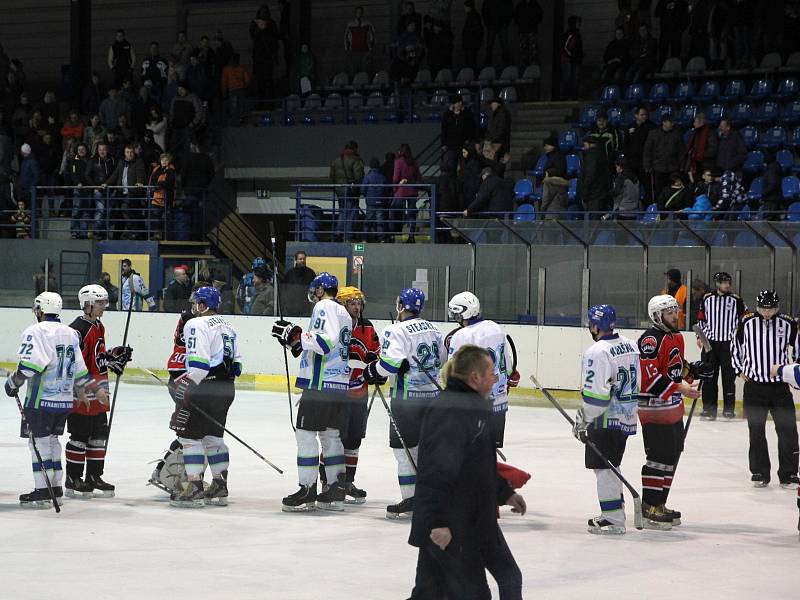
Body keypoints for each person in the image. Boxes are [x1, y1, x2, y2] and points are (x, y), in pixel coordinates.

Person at [407, 344, 526, 600]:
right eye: (492, 373)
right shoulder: (451, 410)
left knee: (510, 578)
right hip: (452, 522)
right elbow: (436, 471)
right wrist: (438, 522)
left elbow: (477, 465)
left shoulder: (474, 407)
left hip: (476, 516)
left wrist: (504, 493)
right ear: (475, 377)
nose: (496, 378)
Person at [363, 288, 446, 519]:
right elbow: (442, 360)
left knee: (404, 452)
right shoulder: (434, 329)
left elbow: (389, 365)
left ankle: (411, 499)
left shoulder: (395, 329)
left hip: (407, 400)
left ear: (401, 305)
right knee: (426, 451)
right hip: (432, 398)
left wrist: (372, 370)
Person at [272, 273, 351, 512]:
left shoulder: (324, 306)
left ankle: (307, 490)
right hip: (338, 384)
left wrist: (297, 335)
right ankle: (336, 489)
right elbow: (322, 345)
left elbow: (323, 342)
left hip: (320, 385)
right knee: (331, 437)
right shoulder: (343, 312)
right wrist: (294, 342)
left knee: (306, 435)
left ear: (320, 290)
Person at [4, 292, 90, 507]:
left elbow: (29, 367)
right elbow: (80, 371)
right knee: (53, 441)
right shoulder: (71, 333)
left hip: (40, 400)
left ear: (40, 310)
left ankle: (43, 490)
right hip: (63, 401)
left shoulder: (36, 331)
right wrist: (81, 392)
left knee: (38, 443)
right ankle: (56, 487)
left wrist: (13, 383)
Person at [637, 294, 706, 529]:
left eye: (676, 311)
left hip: (673, 407)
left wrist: (694, 371)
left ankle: (661, 504)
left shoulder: (676, 337)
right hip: (654, 408)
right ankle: (649, 507)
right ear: (657, 316)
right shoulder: (650, 340)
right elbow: (650, 377)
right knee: (657, 458)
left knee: (672, 454)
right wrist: (681, 387)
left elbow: (675, 366)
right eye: (669, 313)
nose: (675, 316)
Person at [170, 286, 242, 507]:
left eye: (195, 303)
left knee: (190, 438)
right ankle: (220, 485)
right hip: (226, 388)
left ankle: (194, 487)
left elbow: (200, 366)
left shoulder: (196, 324)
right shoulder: (228, 326)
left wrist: (186, 386)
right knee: (213, 438)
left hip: (204, 387)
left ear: (203, 305)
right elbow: (237, 365)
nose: (193, 307)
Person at [574, 304, 640, 535]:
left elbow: (596, 397)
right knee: (612, 465)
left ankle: (613, 520)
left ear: (595, 325)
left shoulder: (597, 351)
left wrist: (582, 420)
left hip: (605, 418)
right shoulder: (630, 344)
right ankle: (616, 511)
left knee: (604, 468)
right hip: (626, 416)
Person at [65, 285, 133, 499]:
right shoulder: (77, 329)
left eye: (105, 302)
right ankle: (73, 478)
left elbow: (97, 357)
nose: (105, 306)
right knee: (80, 435)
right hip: (83, 390)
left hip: (100, 388)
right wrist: (82, 390)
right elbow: (75, 363)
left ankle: (94, 476)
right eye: (101, 303)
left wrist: (113, 357)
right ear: (88, 304)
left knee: (98, 436)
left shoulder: (98, 325)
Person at [732, 291, 800, 489]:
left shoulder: (788, 324)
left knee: (788, 430)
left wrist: (791, 372)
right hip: (754, 387)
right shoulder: (746, 322)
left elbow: (798, 349)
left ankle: (789, 474)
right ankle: (760, 472)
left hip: (780, 388)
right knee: (756, 431)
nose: (767, 312)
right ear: (758, 306)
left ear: (777, 307)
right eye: (764, 308)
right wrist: (739, 369)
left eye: (770, 309)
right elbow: (735, 346)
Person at [318, 286, 378, 504]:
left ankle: (348, 482)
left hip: (358, 393)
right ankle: (328, 482)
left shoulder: (367, 327)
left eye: (359, 302)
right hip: (336, 392)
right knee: (334, 440)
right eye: (351, 302)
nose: (357, 306)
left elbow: (376, 353)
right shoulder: (335, 324)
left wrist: (376, 370)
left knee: (353, 440)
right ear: (342, 305)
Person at [446, 291, 519, 447]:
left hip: (474, 406)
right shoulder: (495, 327)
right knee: (489, 455)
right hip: (499, 403)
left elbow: (452, 374)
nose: (455, 317)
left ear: (465, 312)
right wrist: (511, 375)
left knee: (469, 455)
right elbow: (507, 362)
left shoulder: (462, 335)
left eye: (456, 312)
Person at [696, 272, 748, 420]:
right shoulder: (707, 298)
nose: (727, 285)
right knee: (709, 377)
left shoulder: (736, 300)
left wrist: (740, 337)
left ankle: (729, 410)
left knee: (728, 378)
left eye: (728, 282)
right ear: (717, 283)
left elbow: (746, 318)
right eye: (724, 282)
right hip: (710, 344)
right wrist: (700, 336)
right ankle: (709, 409)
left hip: (729, 344)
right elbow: (701, 320)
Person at [104, 144, 146, 239]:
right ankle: (119, 235)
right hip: (120, 192)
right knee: (118, 212)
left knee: (125, 208)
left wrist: (140, 182)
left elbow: (140, 172)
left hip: (132, 192)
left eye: (131, 152)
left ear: (134, 153)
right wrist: (106, 183)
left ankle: (133, 232)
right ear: (124, 153)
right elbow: (115, 174)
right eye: (127, 152)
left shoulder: (138, 161)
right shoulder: (121, 162)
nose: (130, 154)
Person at [329, 140, 365, 242]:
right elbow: (359, 176)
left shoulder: (336, 160)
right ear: (354, 149)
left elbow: (331, 175)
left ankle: (337, 233)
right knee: (352, 212)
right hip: (351, 190)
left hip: (339, 189)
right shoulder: (356, 160)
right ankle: (348, 235)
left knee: (343, 211)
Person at [643, 113, 684, 201]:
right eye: (670, 122)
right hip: (658, 168)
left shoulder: (677, 134)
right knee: (659, 191)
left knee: (673, 190)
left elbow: (681, 151)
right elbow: (647, 151)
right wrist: (647, 166)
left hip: (673, 168)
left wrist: (679, 165)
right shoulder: (653, 134)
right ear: (664, 122)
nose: (672, 124)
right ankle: (660, 210)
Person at [624, 106, 657, 200]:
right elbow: (625, 145)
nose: (644, 117)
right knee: (632, 187)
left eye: (645, 115)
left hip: (645, 163)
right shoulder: (629, 127)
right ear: (636, 115)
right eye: (642, 115)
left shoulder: (652, 127)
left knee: (647, 187)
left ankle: (648, 207)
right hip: (632, 163)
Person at [392, 143, 422, 242]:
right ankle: (411, 235)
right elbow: (419, 177)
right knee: (412, 214)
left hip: (401, 191)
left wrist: (395, 188)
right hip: (412, 191)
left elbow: (396, 177)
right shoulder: (414, 162)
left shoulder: (398, 162)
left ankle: (394, 233)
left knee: (395, 211)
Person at [440, 93, 476, 174]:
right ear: (453, 104)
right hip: (451, 146)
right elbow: (444, 129)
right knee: (451, 169)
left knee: (465, 168)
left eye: (460, 102)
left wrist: (469, 139)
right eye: (458, 102)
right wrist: (443, 144)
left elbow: (471, 127)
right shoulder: (447, 114)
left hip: (463, 146)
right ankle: (453, 185)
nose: (460, 103)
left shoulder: (466, 113)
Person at [579, 134, 612, 215]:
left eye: (584, 144)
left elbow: (590, 174)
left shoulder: (591, 155)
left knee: (593, 223)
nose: (583, 146)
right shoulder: (601, 154)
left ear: (588, 144)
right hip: (600, 193)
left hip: (593, 194)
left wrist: (585, 192)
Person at [540, 134, 569, 218]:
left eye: (546, 145)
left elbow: (546, 199)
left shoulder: (558, 156)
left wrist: (549, 173)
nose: (545, 148)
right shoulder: (552, 157)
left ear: (553, 145)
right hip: (557, 196)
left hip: (555, 189)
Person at [684, 113, 718, 182]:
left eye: (695, 122)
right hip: (696, 165)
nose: (694, 124)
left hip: (707, 165)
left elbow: (712, 150)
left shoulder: (711, 133)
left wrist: (700, 155)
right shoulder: (695, 133)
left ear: (701, 123)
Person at [281, 251, 316, 317]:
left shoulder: (311, 273)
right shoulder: (290, 273)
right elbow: (284, 290)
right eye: (300, 259)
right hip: (290, 309)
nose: (302, 260)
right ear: (296, 260)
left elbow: (313, 290)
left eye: (304, 259)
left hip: (305, 309)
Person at [361, 157, 388, 241]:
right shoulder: (383, 177)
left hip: (371, 202)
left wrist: (366, 196)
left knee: (368, 219)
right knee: (380, 220)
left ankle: (365, 238)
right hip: (381, 202)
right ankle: (381, 238)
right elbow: (387, 190)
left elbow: (363, 190)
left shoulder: (368, 177)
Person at [344, 6, 376, 76]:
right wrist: (347, 50)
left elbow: (372, 37)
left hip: (365, 50)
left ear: (363, 13)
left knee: (365, 70)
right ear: (355, 13)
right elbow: (346, 38)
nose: (359, 14)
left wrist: (371, 50)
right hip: (353, 51)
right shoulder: (350, 25)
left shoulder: (368, 24)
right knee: (354, 70)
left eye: (360, 12)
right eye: (357, 12)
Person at [560, 15, 583, 99]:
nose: (579, 24)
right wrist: (571, 56)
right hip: (568, 61)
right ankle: (565, 98)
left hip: (575, 61)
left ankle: (573, 97)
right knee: (567, 80)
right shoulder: (570, 34)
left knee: (575, 80)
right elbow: (565, 47)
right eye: (577, 22)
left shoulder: (577, 35)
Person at [514, 0, 543, 66]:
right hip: (524, 30)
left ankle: (532, 65)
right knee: (525, 50)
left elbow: (539, 16)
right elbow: (516, 17)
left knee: (532, 50)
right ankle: (527, 65)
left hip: (530, 30)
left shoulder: (534, 5)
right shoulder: (521, 5)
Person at [461, 0, 484, 71]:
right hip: (472, 43)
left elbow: (472, 30)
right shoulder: (474, 15)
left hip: (471, 43)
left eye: (465, 7)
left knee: (471, 62)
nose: (464, 8)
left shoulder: (472, 16)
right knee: (472, 61)